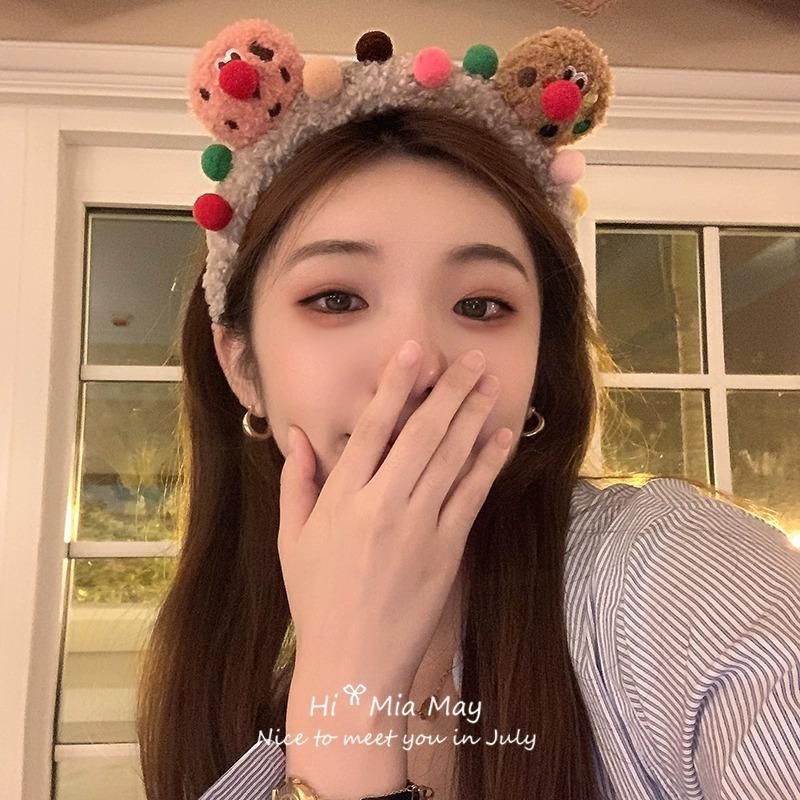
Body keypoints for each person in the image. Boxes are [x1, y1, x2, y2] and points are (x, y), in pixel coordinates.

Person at [136, 18, 800, 800]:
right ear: (241, 366)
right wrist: (343, 688)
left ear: (538, 365)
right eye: (337, 298)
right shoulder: (251, 712)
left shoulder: (678, 580)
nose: (413, 362)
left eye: (482, 305)